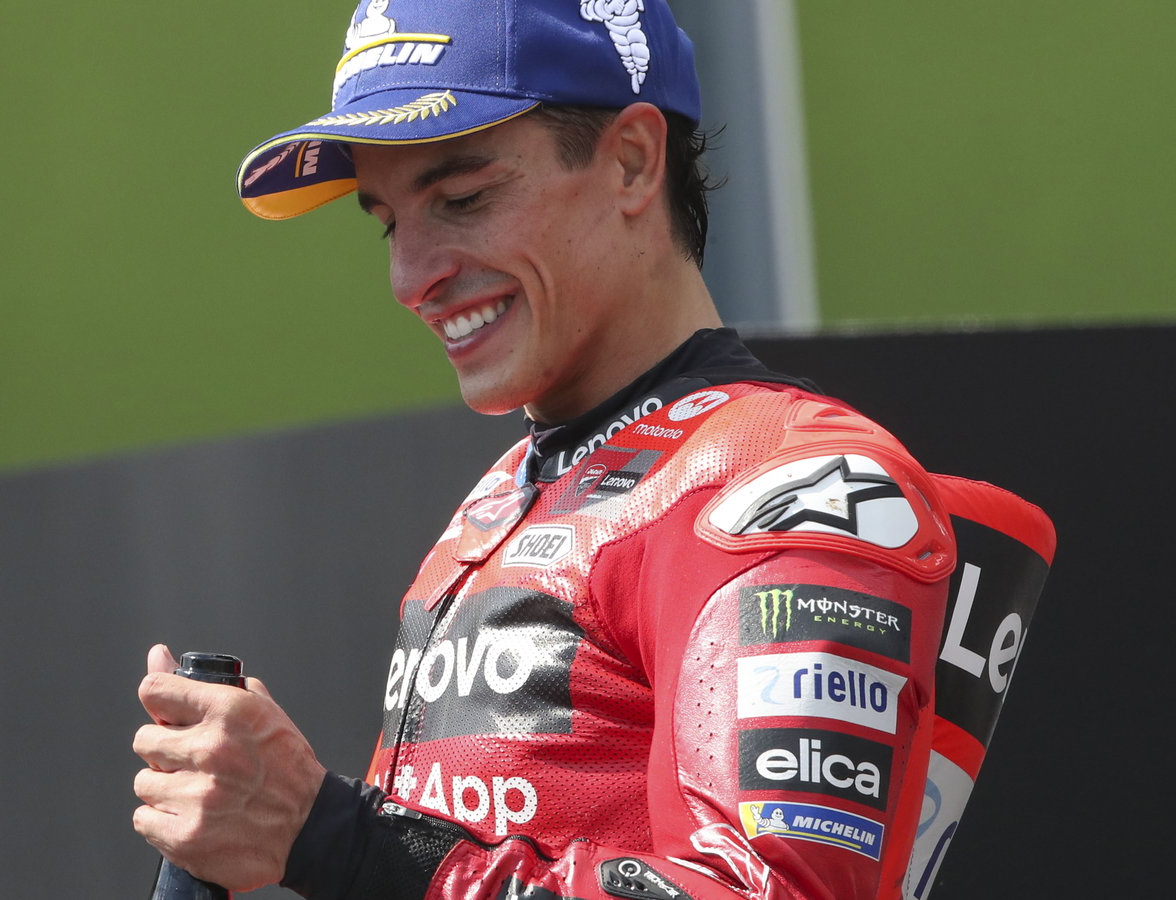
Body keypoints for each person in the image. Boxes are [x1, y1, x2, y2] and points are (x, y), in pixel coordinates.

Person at [134, 2, 1051, 898]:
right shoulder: (507, 491)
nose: (411, 276)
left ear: (632, 161)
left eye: (462, 198)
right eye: (388, 221)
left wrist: (335, 841)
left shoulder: (790, 485)